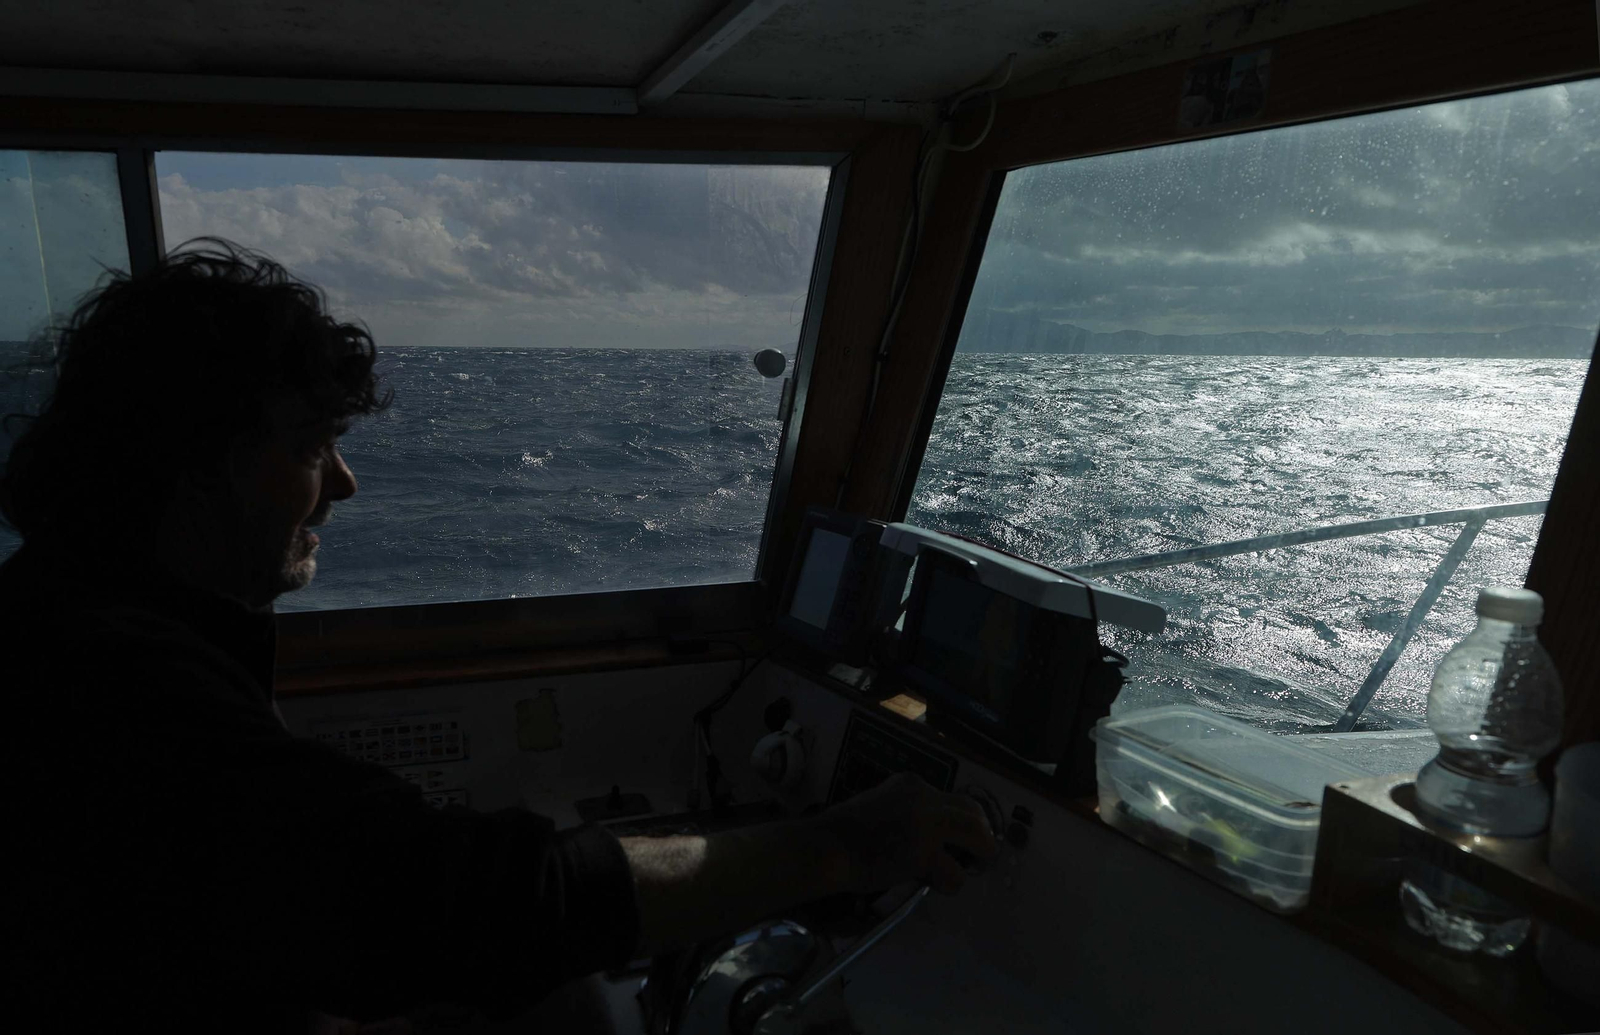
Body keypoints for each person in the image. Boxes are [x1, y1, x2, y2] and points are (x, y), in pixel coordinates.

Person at [2, 240, 998, 1033]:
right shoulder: (107, 685)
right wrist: (848, 844)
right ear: (192, 465)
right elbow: (453, 903)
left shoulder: (76, 620)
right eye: (310, 446)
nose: (344, 483)